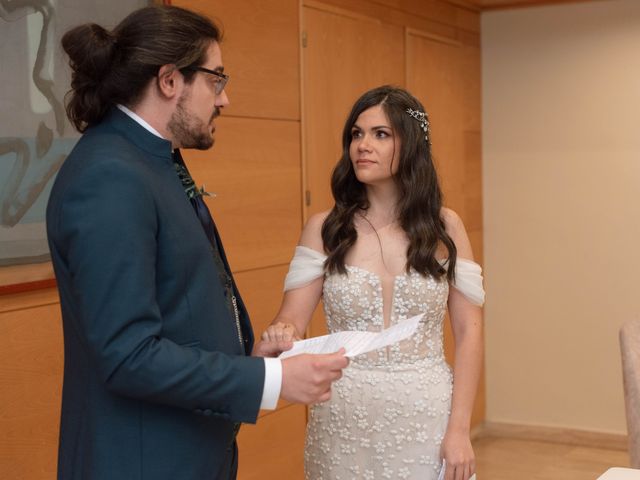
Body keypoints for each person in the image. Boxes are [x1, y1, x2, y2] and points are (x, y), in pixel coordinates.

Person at [46, 6, 348, 480]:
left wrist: (248, 358)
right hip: (143, 461)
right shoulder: (110, 176)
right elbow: (128, 354)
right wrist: (271, 380)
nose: (225, 100)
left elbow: (178, 303)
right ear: (170, 80)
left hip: (189, 451)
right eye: (216, 80)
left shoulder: (151, 159)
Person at [261, 85, 485, 480]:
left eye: (380, 134)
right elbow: (290, 321)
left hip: (426, 413)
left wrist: (459, 429)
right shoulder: (325, 229)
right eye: (356, 134)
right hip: (342, 412)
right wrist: (281, 333)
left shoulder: (444, 227)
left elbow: (469, 331)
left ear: (410, 144)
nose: (363, 145)